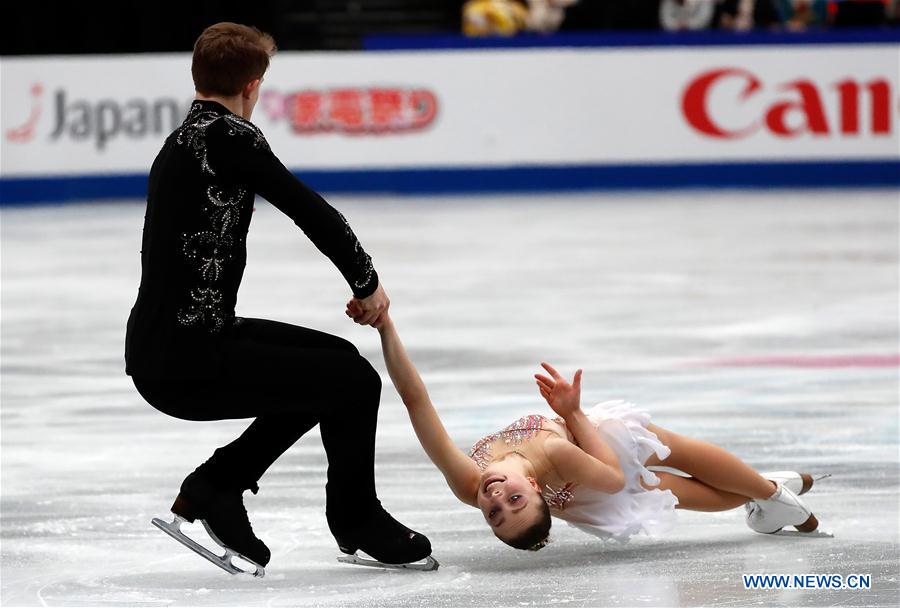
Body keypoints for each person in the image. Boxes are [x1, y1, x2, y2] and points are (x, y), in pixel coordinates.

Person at [125, 22, 433, 576]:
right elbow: (310, 210)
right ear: (253, 86)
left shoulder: (183, 139)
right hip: (186, 359)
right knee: (351, 382)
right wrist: (368, 284)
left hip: (176, 343)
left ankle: (218, 485)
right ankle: (352, 516)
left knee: (339, 365)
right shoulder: (231, 136)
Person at [348, 305, 829, 551]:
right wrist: (574, 415)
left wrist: (386, 327)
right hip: (594, 460)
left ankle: (771, 492)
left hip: (589, 458)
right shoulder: (554, 458)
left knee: (681, 454)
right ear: (534, 487)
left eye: (495, 511)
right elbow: (613, 477)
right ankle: (771, 492)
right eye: (511, 504)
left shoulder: (468, 482)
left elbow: (415, 401)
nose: (495, 499)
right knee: (675, 490)